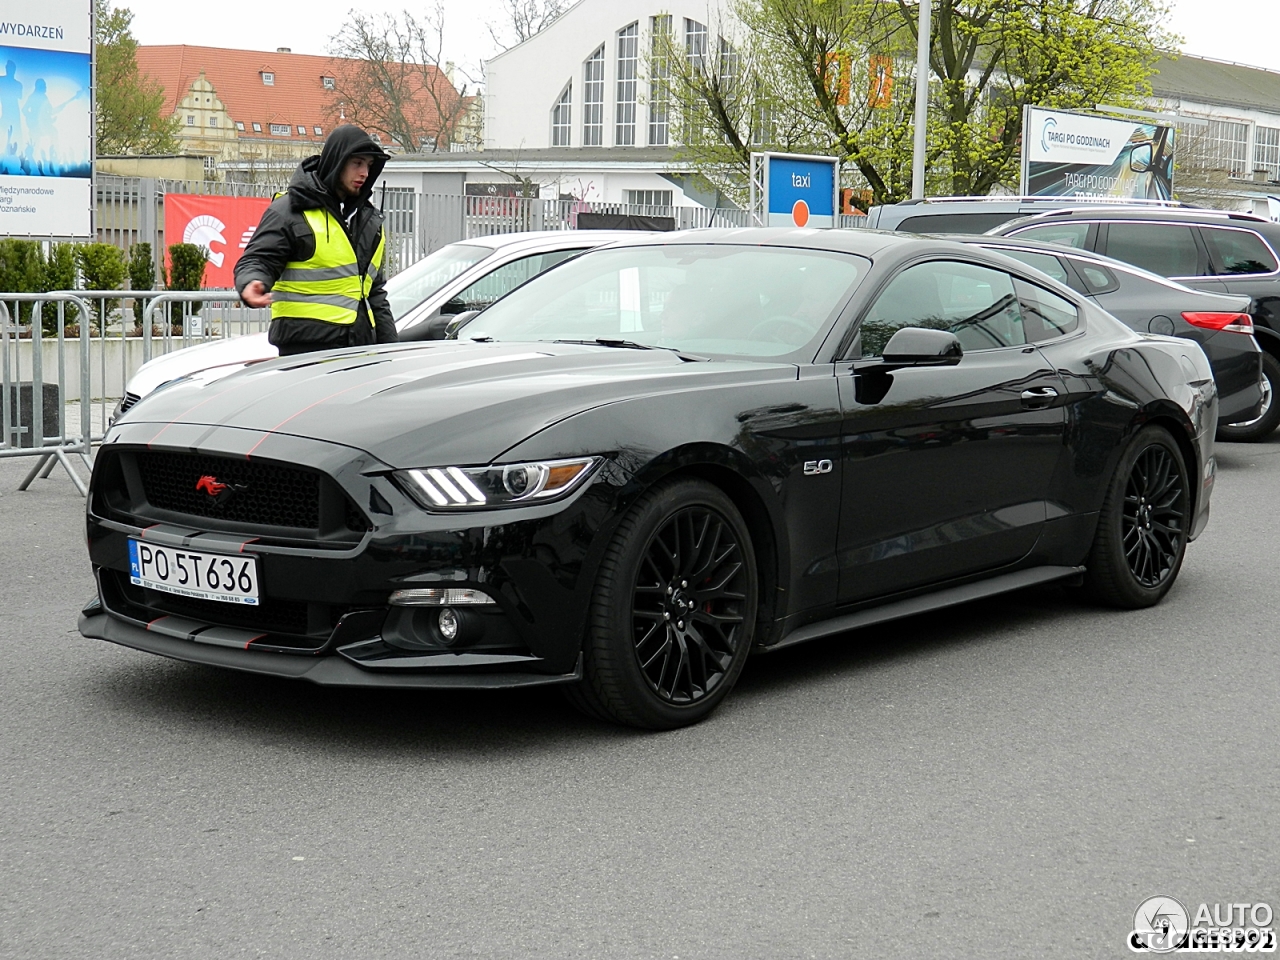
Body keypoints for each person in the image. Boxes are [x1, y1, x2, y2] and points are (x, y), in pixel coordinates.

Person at [235, 124, 398, 356]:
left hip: (359, 347)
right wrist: (252, 282)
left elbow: (373, 292)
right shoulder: (290, 210)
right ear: (337, 161)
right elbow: (259, 258)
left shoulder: (367, 219)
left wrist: (390, 348)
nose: (364, 173)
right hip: (305, 351)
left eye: (369, 166)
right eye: (357, 163)